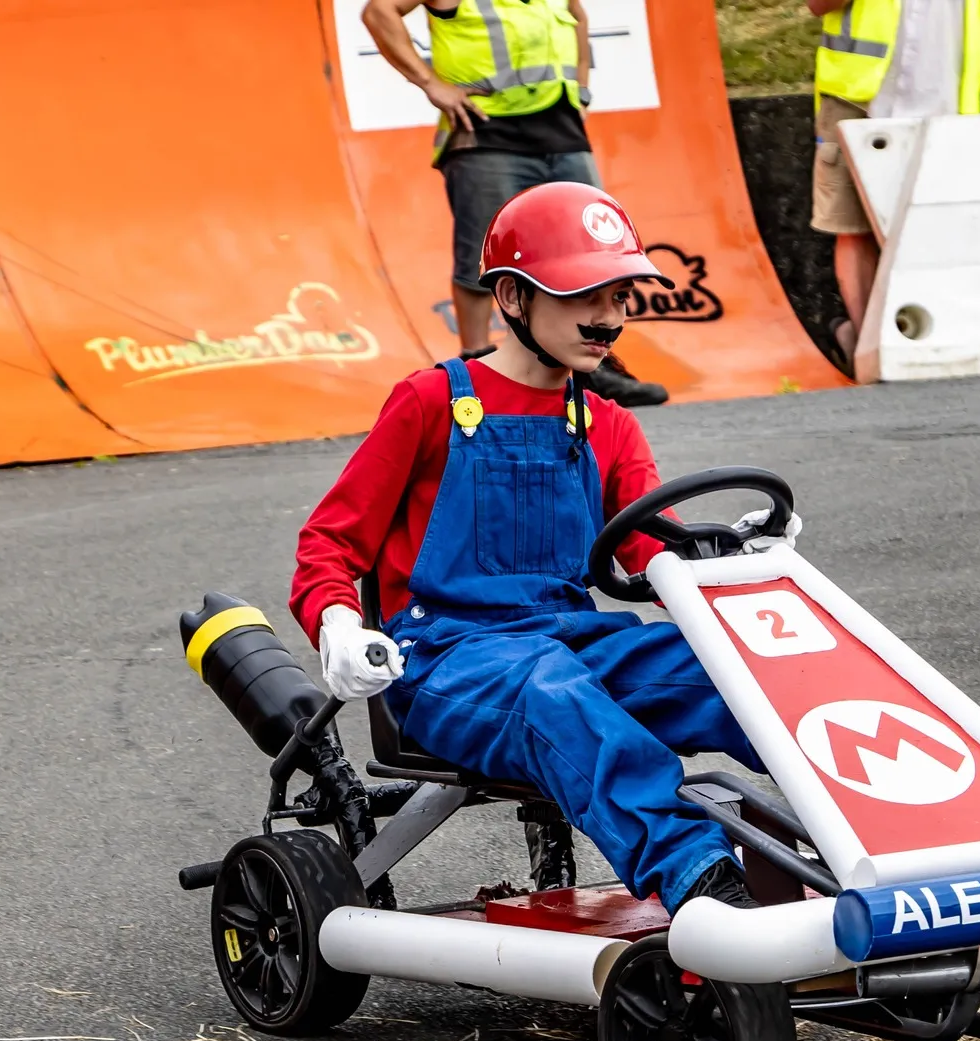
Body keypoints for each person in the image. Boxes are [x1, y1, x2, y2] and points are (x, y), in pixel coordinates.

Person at [290, 183, 796, 912]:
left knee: (743, 674)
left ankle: (885, 842)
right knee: (551, 691)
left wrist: (740, 564)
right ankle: (703, 882)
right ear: (512, 297)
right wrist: (337, 625)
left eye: (619, 296)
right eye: (583, 294)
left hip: (573, 644)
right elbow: (330, 542)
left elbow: (659, 552)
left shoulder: (608, 423)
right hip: (446, 661)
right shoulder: (431, 402)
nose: (607, 319)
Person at [360, 0, 668, 407]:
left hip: (561, 129)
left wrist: (581, 89)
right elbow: (378, 11)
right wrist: (431, 83)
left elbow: (577, 16)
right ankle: (474, 370)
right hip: (486, 132)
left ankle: (594, 370)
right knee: (481, 256)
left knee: (595, 253)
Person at [806, 0, 980, 372]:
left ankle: (938, 337)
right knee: (853, 228)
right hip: (855, 102)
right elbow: (819, 5)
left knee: (945, 233)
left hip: (944, 114)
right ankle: (870, 345)